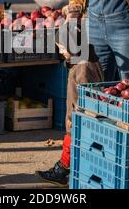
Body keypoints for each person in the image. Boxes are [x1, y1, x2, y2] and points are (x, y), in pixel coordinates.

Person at [35, 24, 103, 187]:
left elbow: (87, 96)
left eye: (63, 48)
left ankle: (62, 171)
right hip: (78, 115)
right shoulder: (81, 62)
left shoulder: (83, 67)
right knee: (72, 140)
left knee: (72, 140)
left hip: (79, 116)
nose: (61, 51)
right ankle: (63, 170)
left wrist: (75, 116)